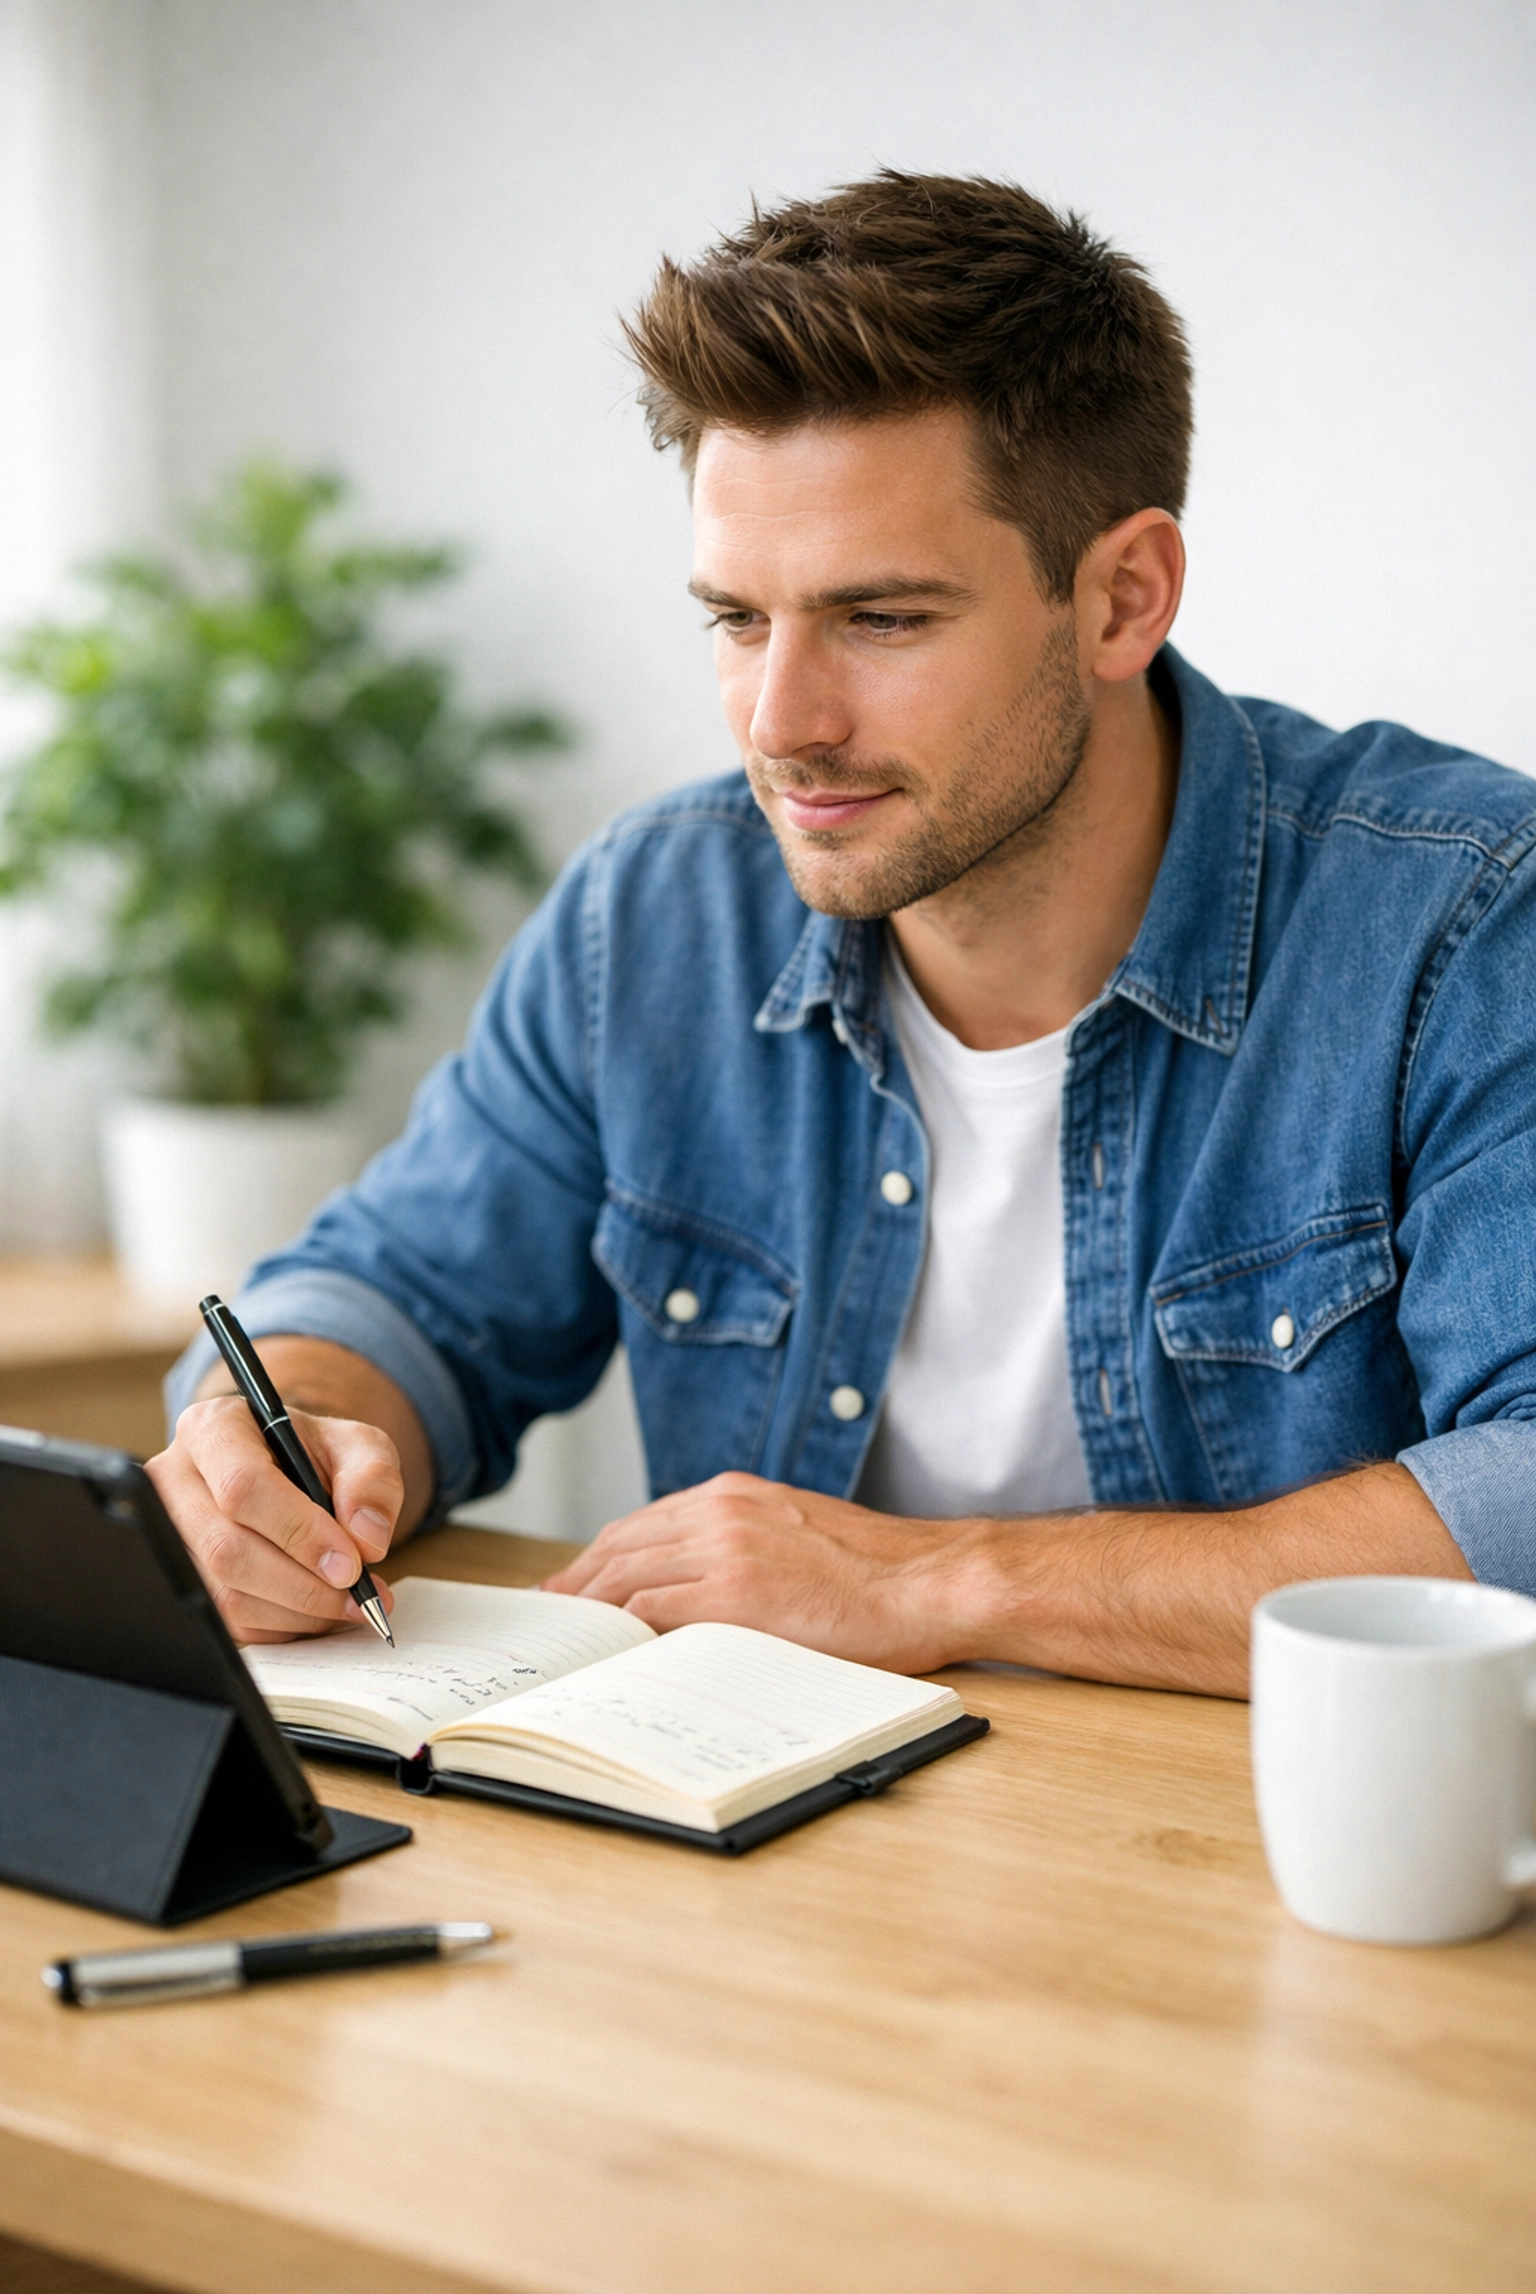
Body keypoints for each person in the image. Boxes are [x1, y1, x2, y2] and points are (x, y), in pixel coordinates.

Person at [156, 171, 1536, 1698]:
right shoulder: (655, 917)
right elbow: (399, 1293)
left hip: (1255, 1878)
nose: (782, 724)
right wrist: (278, 1431)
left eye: (881, 620)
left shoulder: (1459, 921)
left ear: (1122, 598)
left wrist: (938, 1582)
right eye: (738, 619)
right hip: (793, 1863)